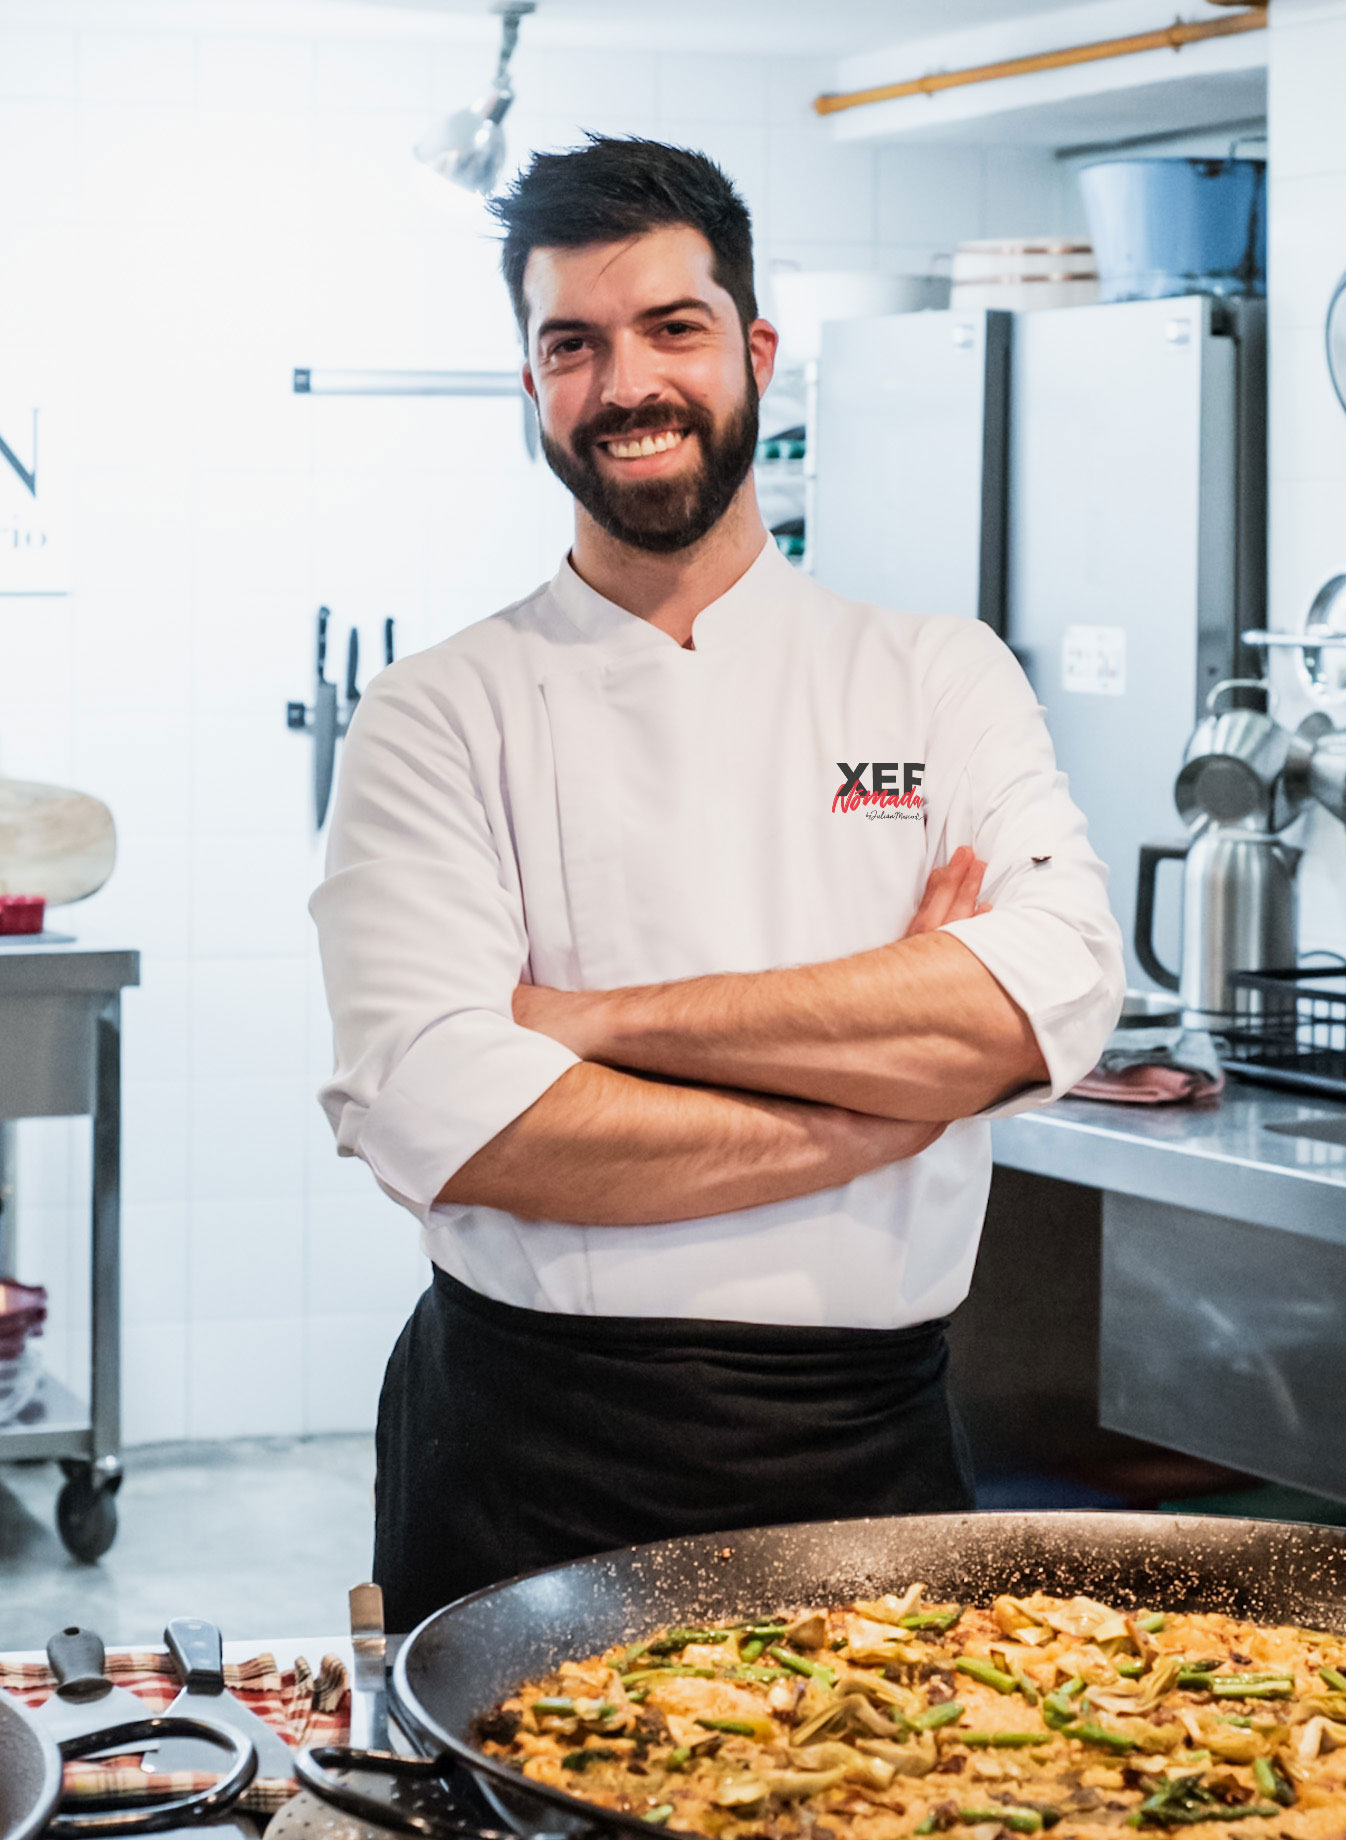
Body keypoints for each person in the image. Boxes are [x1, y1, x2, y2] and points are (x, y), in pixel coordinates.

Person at [311, 137, 1125, 1632]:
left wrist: (582, 1022)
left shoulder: (934, 674)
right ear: (532, 386)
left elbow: (1048, 995)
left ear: (752, 349)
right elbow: (448, 1110)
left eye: (671, 329)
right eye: (573, 343)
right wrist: (881, 1104)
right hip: (531, 1452)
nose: (627, 383)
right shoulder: (438, 711)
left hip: (866, 1446)